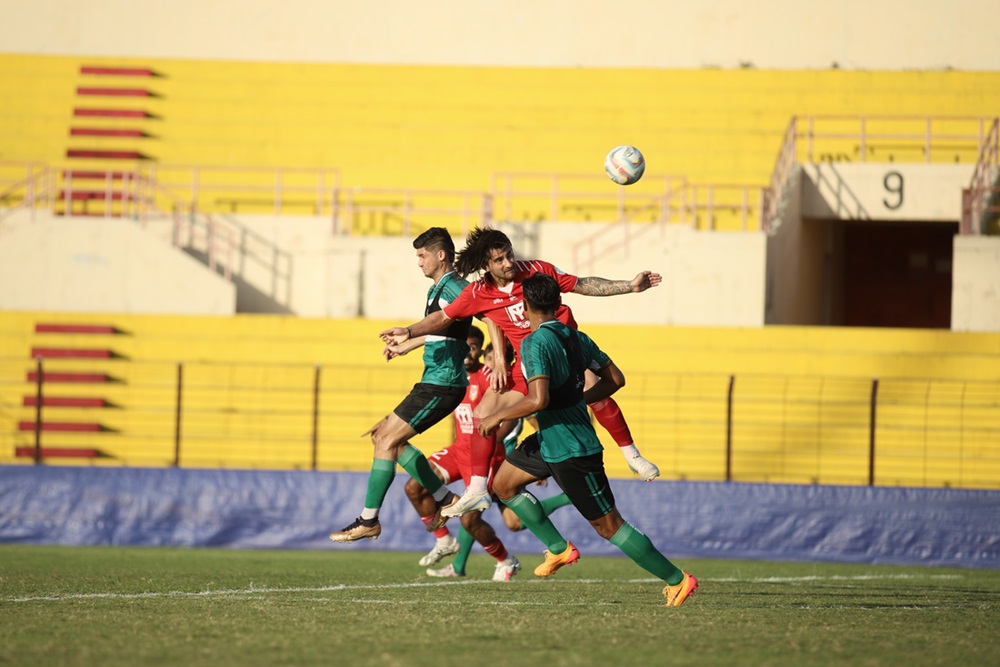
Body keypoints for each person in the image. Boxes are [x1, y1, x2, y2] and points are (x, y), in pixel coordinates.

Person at [381, 226, 662, 519]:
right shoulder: (479, 292)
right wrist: (408, 331)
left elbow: (582, 284)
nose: (508, 263)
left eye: (509, 255)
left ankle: (632, 455)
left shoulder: (536, 271)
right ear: (486, 266)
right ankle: (477, 490)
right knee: (481, 414)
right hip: (527, 363)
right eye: (500, 259)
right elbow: (443, 316)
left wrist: (630, 285)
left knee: (593, 386)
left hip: (561, 349)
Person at [479, 273, 698, 607]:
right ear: (558, 303)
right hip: (550, 439)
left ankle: (678, 580)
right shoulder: (577, 338)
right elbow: (615, 379)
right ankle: (558, 549)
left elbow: (537, 400)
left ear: (524, 308)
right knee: (503, 486)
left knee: (609, 526)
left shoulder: (535, 343)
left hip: (573, 448)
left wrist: (497, 416)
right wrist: (582, 399)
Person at [328, 227, 468, 543]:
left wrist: (500, 357)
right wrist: (409, 344)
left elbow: (484, 315)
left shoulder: (457, 287)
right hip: (432, 380)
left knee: (387, 440)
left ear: (440, 255)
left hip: (443, 383)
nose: (418, 262)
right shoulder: (437, 289)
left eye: (422, 255)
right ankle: (447, 500)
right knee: (384, 437)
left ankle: (369, 520)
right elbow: (444, 327)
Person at [393, 325, 521, 581]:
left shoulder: (489, 375)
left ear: (479, 348)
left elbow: (512, 410)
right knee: (413, 487)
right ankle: (444, 541)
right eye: (464, 346)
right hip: (458, 449)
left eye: (473, 348)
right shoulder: (455, 375)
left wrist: (494, 438)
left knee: (469, 522)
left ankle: (506, 560)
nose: (467, 353)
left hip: (484, 456)